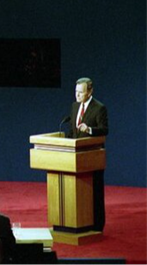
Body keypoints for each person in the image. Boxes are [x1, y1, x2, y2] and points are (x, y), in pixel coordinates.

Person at [67, 77, 109, 232]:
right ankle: (79, 222)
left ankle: (97, 225)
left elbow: (104, 129)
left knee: (95, 192)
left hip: (92, 156)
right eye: (76, 92)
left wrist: (89, 129)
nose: (77, 96)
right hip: (74, 156)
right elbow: (72, 130)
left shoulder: (99, 108)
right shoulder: (74, 106)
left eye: (81, 92)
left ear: (90, 91)